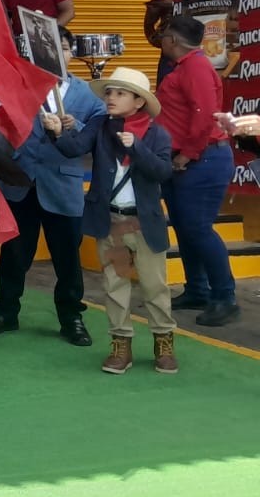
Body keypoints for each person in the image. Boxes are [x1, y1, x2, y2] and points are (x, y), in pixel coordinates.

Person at [0, 30, 104, 347]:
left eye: (62, 48)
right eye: (48, 48)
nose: (55, 54)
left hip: (62, 185)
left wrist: (75, 126)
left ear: (72, 53)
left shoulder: (87, 96)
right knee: (14, 255)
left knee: (67, 259)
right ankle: (6, 312)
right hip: (20, 181)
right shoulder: (19, 85)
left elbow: (96, 138)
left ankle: (71, 317)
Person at [51, 67, 178, 375]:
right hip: (110, 220)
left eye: (119, 93)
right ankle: (120, 344)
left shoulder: (157, 133)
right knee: (114, 284)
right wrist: (56, 131)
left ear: (138, 102)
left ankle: (163, 342)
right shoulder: (100, 125)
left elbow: (163, 172)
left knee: (154, 287)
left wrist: (136, 147)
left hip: (144, 222)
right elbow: (74, 148)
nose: (110, 98)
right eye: (108, 92)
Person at [156, 15, 239, 326]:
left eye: (164, 36)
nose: (161, 41)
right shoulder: (186, 67)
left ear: (173, 40)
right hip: (185, 158)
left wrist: (187, 155)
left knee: (198, 228)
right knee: (184, 226)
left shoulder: (196, 67)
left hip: (201, 160)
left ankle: (225, 297)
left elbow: (203, 116)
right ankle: (197, 289)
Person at [143, 0, 205, 83]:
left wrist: (175, 5)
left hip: (195, 49)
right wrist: (155, 39)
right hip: (169, 52)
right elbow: (149, 22)